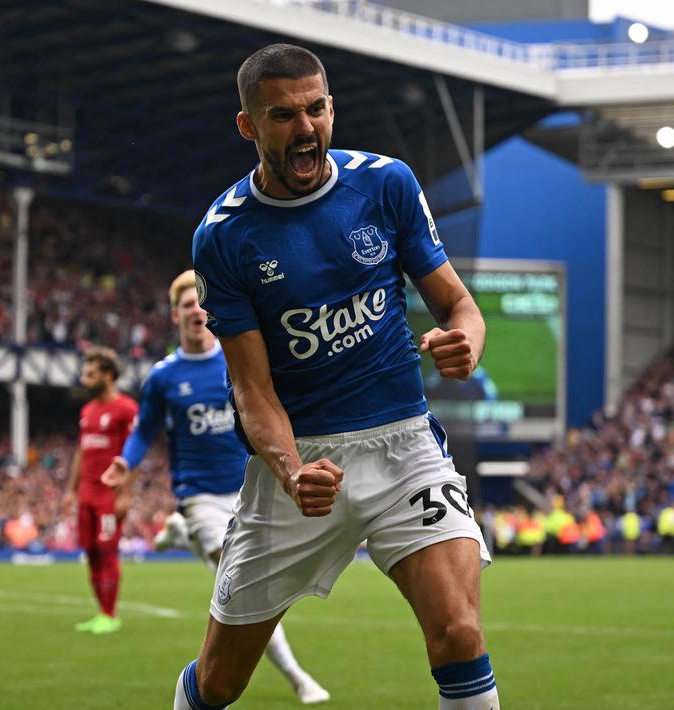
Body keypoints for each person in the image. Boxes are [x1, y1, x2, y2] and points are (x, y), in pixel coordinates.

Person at [175, 45, 497, 710]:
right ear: (248, 126)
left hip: (404, 447)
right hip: (301, 467)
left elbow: (458, 307)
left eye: (316, 108)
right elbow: (252, 391)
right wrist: (292, 470)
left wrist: (466, 342)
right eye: (283, 114)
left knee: (459, 633)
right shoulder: (223, 235)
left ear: (331, 107)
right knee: (218, 681)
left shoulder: (385, 184)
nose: (305, 127)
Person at [101, 271, 329, 704]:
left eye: (199, 302)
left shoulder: (237, 360)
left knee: (252, 580)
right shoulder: (164, 377)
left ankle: (180, 534)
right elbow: (143, 431)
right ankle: (299, 678)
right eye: (185, 304)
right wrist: (125, 463)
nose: (194, 311)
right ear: (176, 315)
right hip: (198, 494)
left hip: (248, 489)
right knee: (243, 584)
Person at [62, 346, 138, 634]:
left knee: (108, 552)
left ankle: (110, 613)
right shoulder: (88, 411)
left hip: (109, 493)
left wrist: (126, 493)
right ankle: (100, 612)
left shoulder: (126, 409)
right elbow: (81, 452)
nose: (84, 379)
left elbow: (134, 452)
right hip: (86, 493)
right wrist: (70, 491)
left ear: (108, 375)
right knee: (91, 552)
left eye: (91, 374)